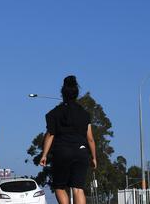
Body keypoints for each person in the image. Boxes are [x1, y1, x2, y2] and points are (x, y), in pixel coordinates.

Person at [40, 76, 97, 204]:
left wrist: (44, 155)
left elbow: (51, 135)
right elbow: (90, 139)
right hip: (81, 152)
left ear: (62, 94)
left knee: (59, 187)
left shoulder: (55, 113)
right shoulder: (84, 113)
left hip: (62, 152)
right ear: (76, 94)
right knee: (78, 188)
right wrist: (93, 157)